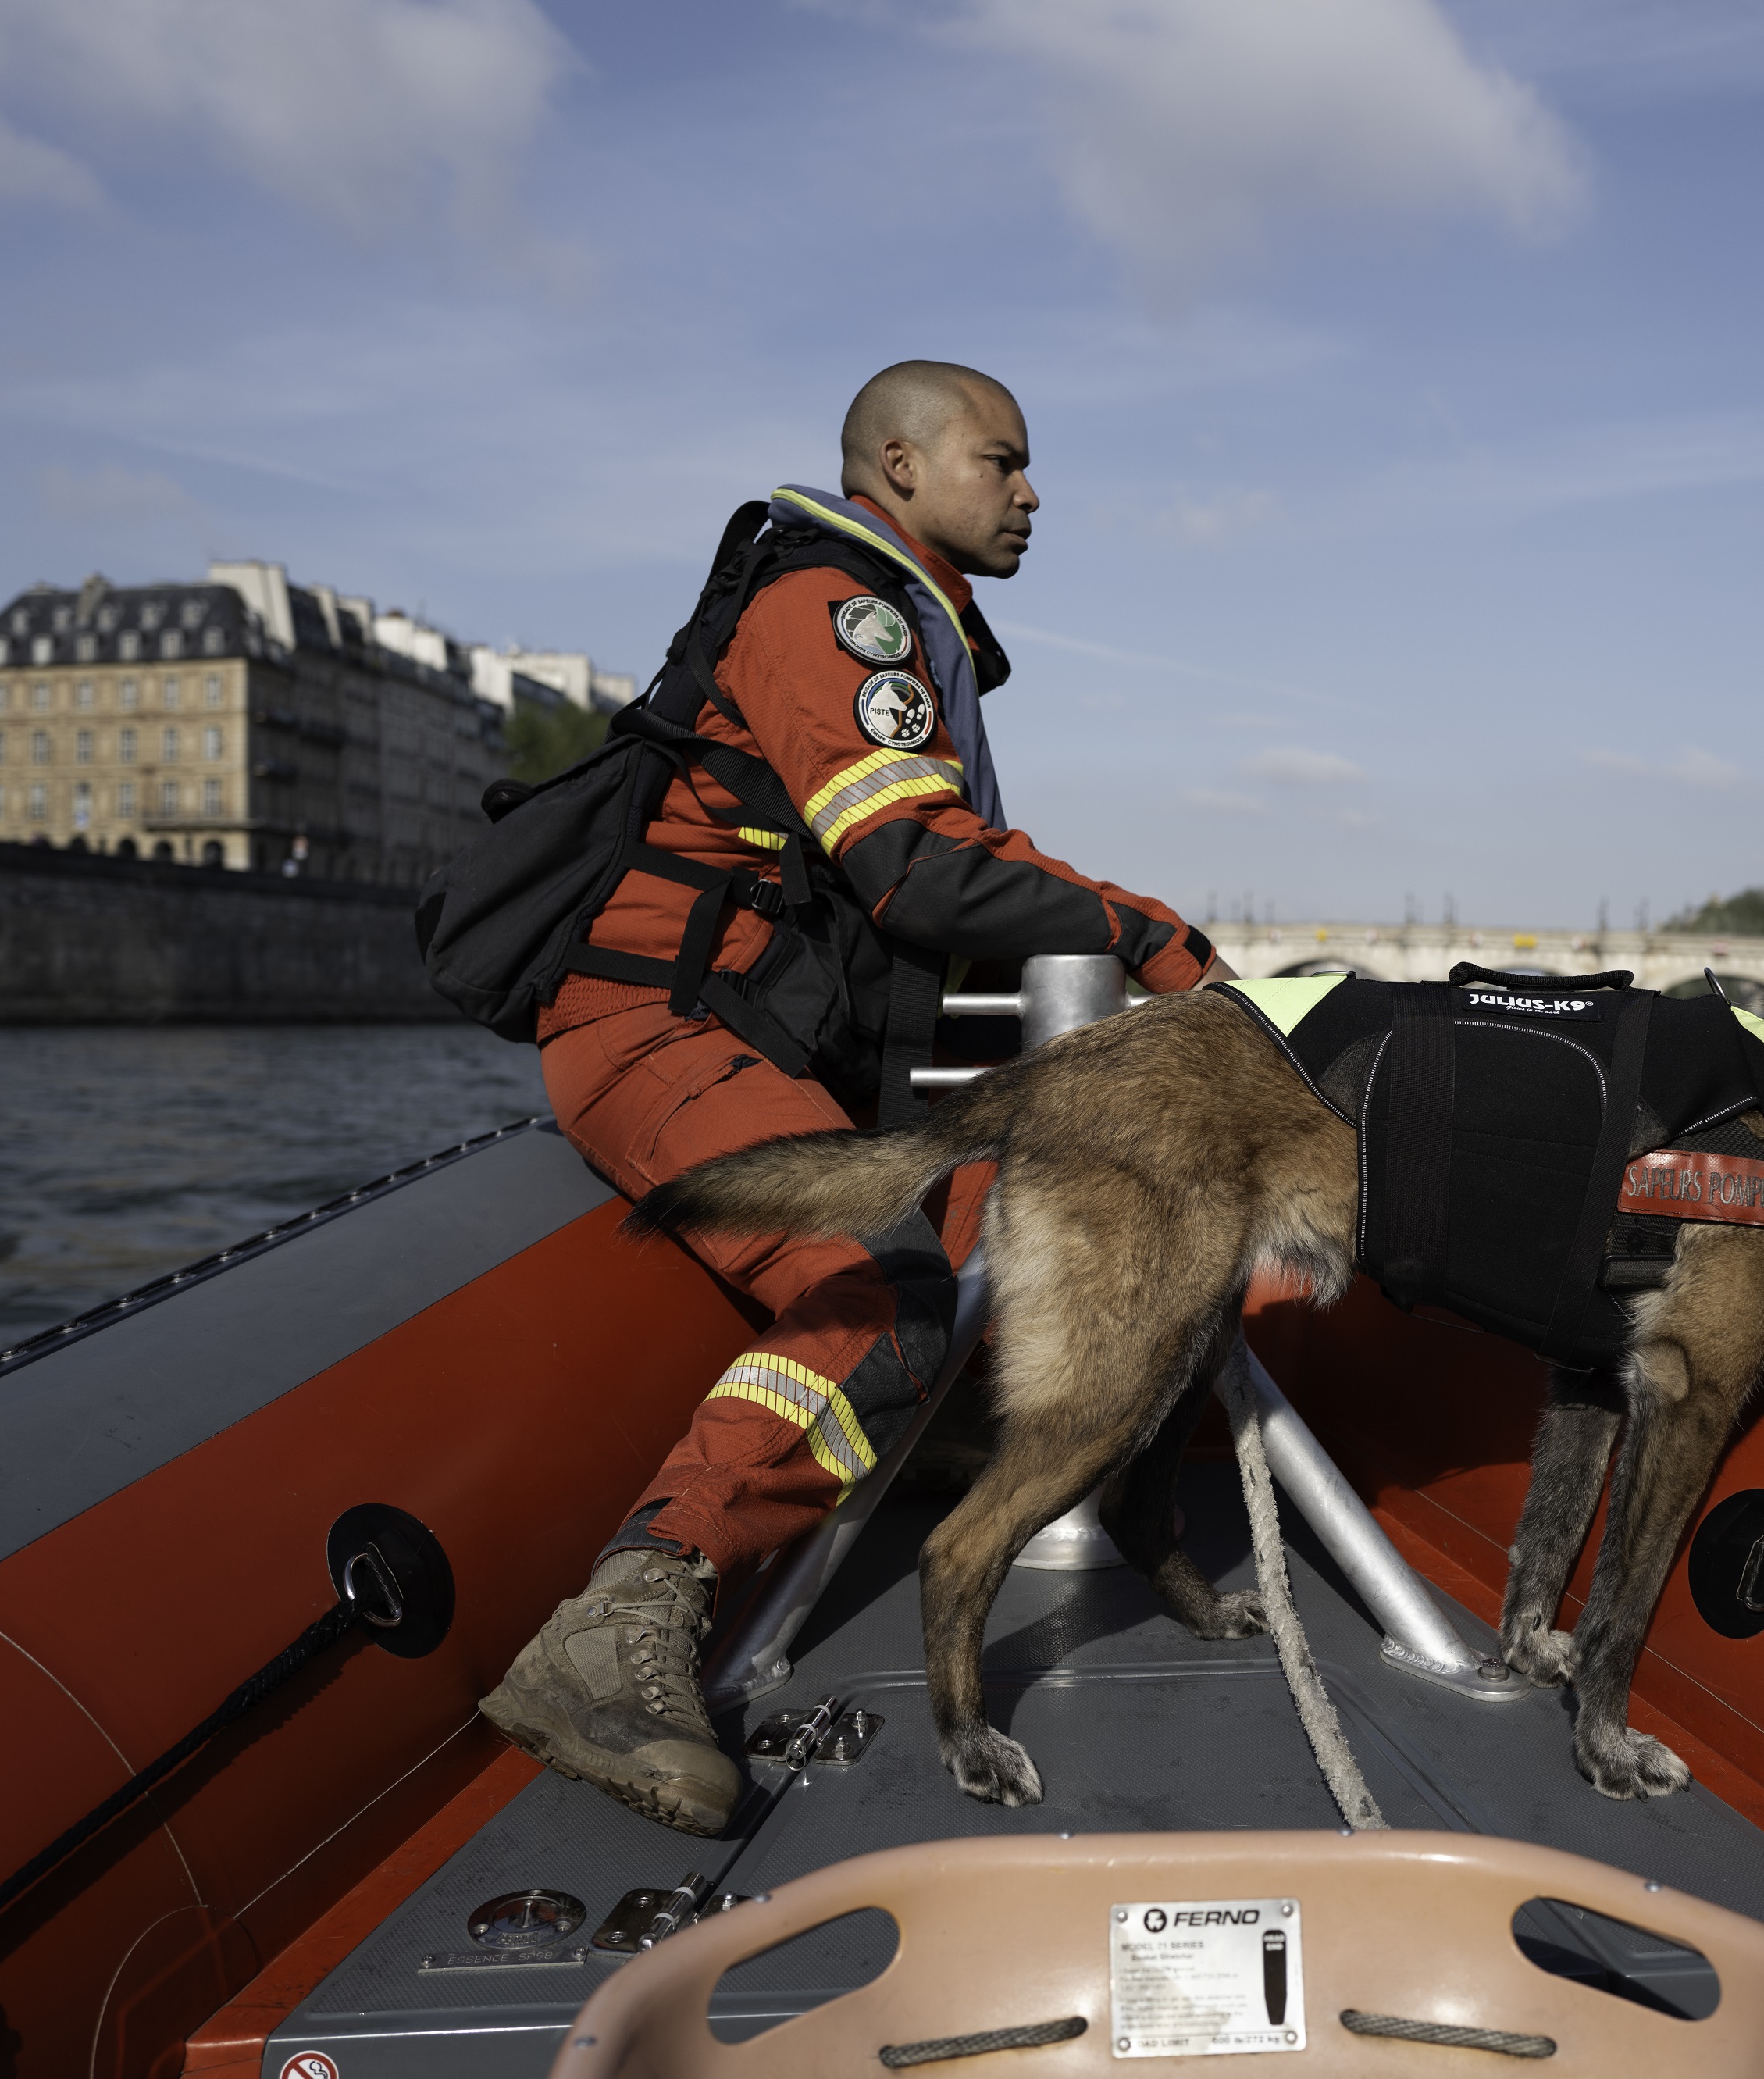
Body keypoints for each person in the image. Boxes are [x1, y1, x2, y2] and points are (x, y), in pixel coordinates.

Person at [480, 361, 1232, 1833]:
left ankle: (970, 1453)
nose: (1031, 492)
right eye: (1002, 463)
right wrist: (1153, 939)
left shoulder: (920, 633)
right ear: (898, 466)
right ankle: (628, 1615)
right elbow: (913, 865)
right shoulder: (837, 609)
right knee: (883, 1287)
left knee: (1048, 1231)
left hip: (751, 1039)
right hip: (654, 1025)